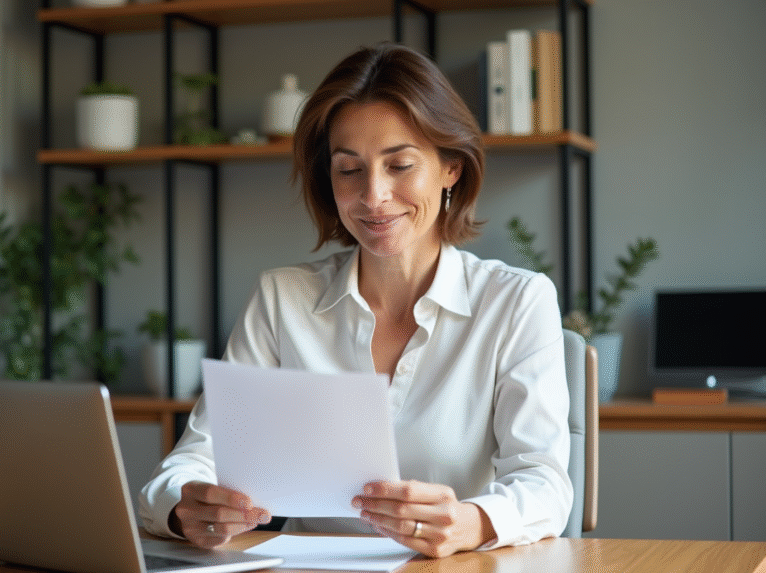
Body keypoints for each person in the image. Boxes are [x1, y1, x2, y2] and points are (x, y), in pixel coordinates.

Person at [139, 43, 572, 558]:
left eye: (400, 165)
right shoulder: (282, 299)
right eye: (349, 170)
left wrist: (471, 522)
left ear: (451, 167)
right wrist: (186, 507)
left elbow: (545, 483)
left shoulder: (517, 302)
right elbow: (192, 462)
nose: (373, 195)